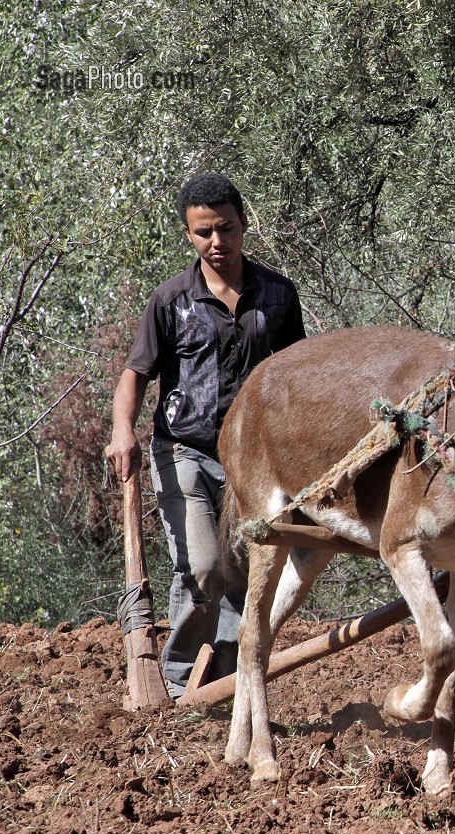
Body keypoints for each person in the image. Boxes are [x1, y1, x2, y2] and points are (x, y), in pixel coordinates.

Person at [105, 173, 306, 698]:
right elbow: (135, 375)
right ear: (189, 234)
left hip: (255, 460)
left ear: (243, 224)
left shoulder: (280, 297)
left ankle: (228, 683)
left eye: (226, 229)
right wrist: (122, 430)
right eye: (203, 233)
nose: (217, 242)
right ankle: (176, 681)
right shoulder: (170, 301)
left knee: (246, 572)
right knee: (203, 569)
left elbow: (299, 375)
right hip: (184, 450)